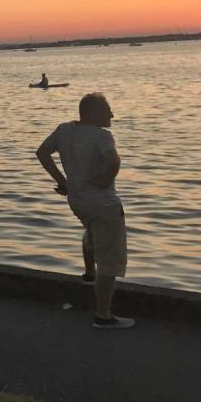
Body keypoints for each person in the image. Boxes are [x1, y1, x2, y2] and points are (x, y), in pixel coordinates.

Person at [36, 92, 132, 329]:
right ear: (92, 113)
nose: (112, 114)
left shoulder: (64, 130)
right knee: (109, 261)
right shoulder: (102, 136)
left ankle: (89, 275)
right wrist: (106, 178)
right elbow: (113, 160)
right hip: (104, 205)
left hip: (78, 202)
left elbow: (42, 153)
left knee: (91, 230)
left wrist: (63, 182)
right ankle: (103, 316)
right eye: (107, 109)